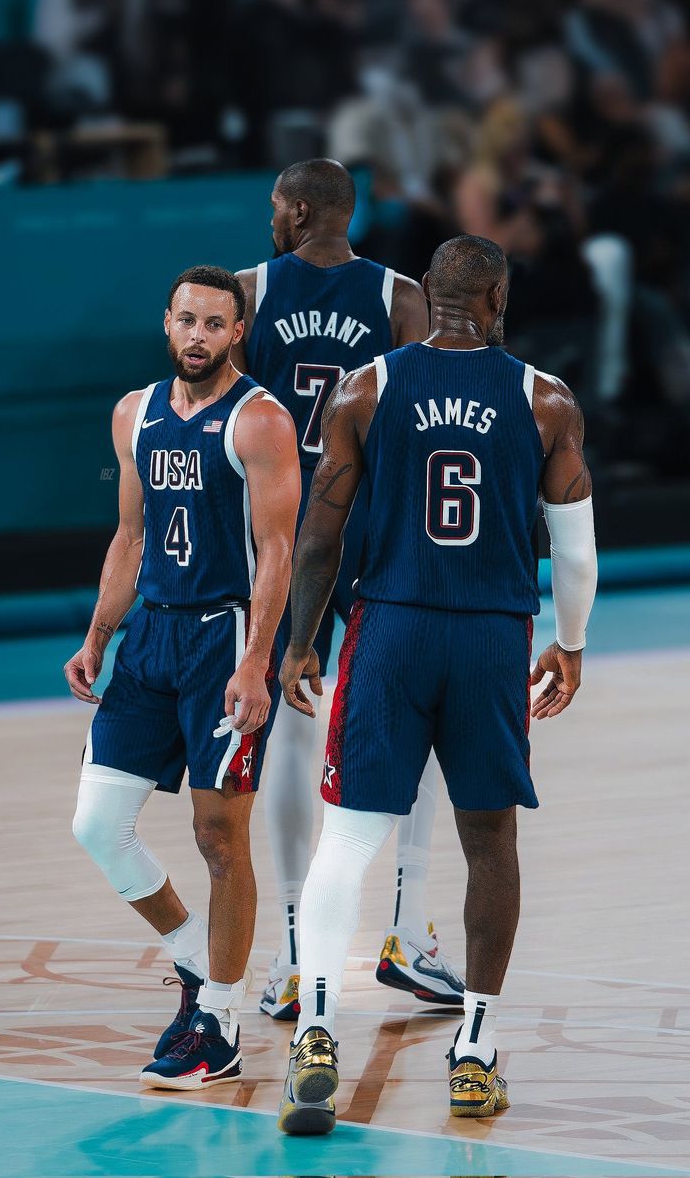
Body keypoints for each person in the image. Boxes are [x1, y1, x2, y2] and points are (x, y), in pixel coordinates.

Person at [276, 234, 597, 1133]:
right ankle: (475, 1050)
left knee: (348, 838)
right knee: (490, 843)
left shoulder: (365, 387)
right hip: (492, 634)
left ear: (427, 292)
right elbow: (576, 551)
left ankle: (315, 1034)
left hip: (391, 628)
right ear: (498, 299)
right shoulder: (547, 400)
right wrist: (569, 644)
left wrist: (302, 641)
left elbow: (317, 535)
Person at [235, 158, 464, 1021]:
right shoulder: (402, 298)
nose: (270, 220)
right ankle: (405, 930)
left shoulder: (252, 292)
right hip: (376, 534)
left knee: (289, 735)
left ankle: (296, 953)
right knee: (419, 722)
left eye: (273, 207)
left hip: (284, 540)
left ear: (296, 210)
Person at [65, 265, 299, 1088]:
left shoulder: (261, 419)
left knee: (218, 837)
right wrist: (99, 634)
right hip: (150, 641)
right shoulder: (135, 413)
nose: (197, 335)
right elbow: (129, 536)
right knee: (98, 824)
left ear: (238, 333)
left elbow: (278, 551)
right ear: (167, 323)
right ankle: (198, 960)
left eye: (214, 324)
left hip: (221, 638)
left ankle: (223, 1026)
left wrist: (258, 660)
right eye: (186, 320)